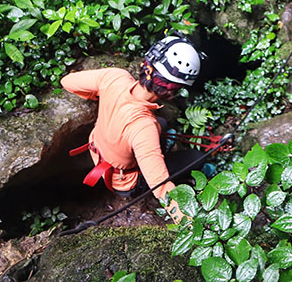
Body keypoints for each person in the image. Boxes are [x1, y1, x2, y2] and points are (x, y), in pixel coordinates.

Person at [62, 32, 211, 223]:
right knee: (197, 159)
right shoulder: (144, 127)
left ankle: (152, 153)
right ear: (172, 91)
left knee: (163, 125)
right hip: (124, 182)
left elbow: (67, 82)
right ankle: (192, 168)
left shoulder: (114, 77)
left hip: (98, 151)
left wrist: (107, 97)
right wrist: (188, 223)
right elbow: (160, 186)